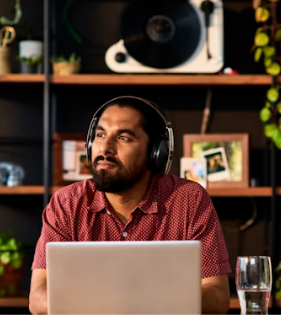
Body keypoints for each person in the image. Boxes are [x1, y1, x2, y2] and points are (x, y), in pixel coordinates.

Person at [29, 96, 231, 315]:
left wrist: (125, 300)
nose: (105, 148)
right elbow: (38, 298)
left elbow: (218, 297)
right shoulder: (67, 203)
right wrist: (135, 300)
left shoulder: (189, 200)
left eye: (123, 137)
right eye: (100, 135)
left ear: (156, 153)